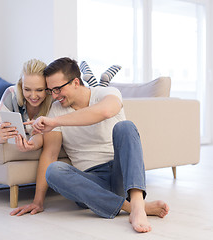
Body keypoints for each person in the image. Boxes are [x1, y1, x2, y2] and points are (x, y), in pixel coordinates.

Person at [10, 57, 169, 233]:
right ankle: (130, 208)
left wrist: (54, 122)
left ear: (76, 82)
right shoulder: (56, 109)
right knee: (53, 170)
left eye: (58, 89)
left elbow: (105, 111)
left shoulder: (106, 93)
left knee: (126, 127)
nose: (54, 96)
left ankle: (138, 204)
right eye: (51, 91)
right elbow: (50, 154)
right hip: (91, 183)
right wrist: (37, 202)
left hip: (120, 174)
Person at [0, 59, 52, 152]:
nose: (33, 96)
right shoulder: (11, 93)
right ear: (20, 86)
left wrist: (34, 143)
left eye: (39, 90)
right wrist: (0, 137)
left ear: (47, 88)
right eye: (27, 89)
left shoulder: (54, 100)